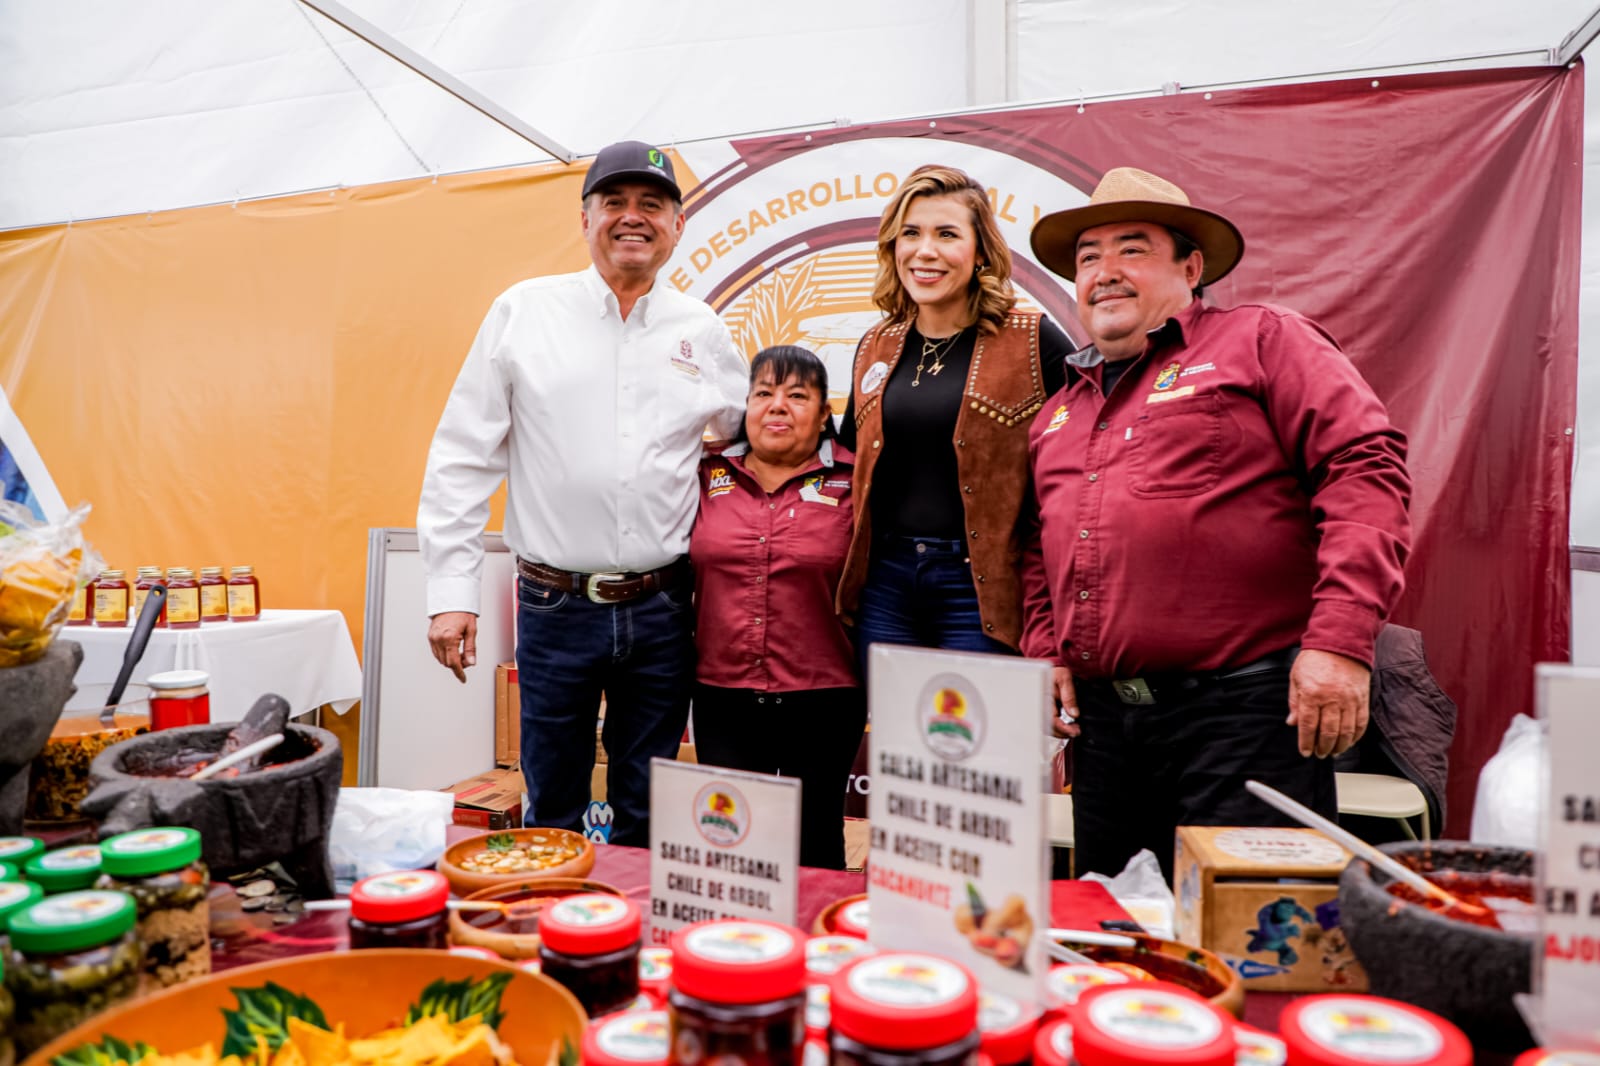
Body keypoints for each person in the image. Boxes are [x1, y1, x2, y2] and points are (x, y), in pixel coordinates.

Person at [1023, 167, 1412, 880]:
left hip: (1246, 717)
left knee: (1251, 939)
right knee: (1118, 931)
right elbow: (1032, 546)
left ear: (1190, 266)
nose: (1104, 272)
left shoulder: (1262, 340)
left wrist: (1341, 642)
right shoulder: (1057, 414)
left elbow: (1364, 468)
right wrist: (1047, 650)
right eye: (1087, 257)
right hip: (1108, 733)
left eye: (1131, 249)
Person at [418, 141, 746, 847]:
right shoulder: (523, 313)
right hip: (554, 605)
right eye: (615, 204)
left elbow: (740, 443)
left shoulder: (704, 332)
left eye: (652, 205)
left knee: (651, 807)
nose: (634, 218)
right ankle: (552, 943)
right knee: (554, 804)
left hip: (664, 607)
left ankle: (635, 950)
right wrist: (451, 591)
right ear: (585, 216)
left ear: (678, 226)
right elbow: (462, 454)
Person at [837, 165, 1074, 673]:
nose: (926, 251)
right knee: (899, 749)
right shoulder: (874, 346)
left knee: (973, 747)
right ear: (892, 247)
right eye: (911, 233)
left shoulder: (1034, 340)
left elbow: (1082, 466)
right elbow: (849, 463)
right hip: (886, 586)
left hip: (983, 588)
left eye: (947, 234)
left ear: (980, 250)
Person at [690, 345, 861, 869]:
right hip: (723, 694)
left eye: (797, 395)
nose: (778, 406)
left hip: (826, 695)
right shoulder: (704, 475)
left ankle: (817, 949)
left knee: (815, 844)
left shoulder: (858, 482)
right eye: (764, 393)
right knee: (733, 846)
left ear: (824, 415)